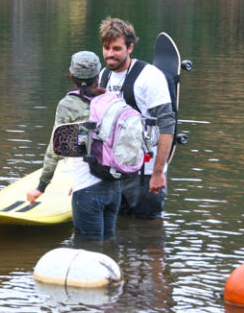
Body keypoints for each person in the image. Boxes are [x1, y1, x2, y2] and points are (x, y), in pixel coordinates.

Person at [27, 51, 122, 241]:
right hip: (114, 187)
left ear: (71, 76)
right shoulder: (113, 99)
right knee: (109, 244)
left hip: (87, 190)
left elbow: (56, 148)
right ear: (98, 76)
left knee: (88, 248)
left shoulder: (68, 104)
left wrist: (41, 186)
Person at [97, 17, 176, 219]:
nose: (109, 54)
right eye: (106, 48)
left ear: (130, 48)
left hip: (145, 173)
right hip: (113, 172)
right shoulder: (104, 75)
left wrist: (158, 172)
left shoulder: (149, 77)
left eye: (116, 48)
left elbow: (167, 125)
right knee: (117, 230)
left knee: (149, 234)